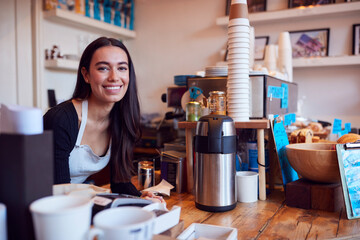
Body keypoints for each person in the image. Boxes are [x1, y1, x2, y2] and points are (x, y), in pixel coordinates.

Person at [44, 37, 163, 203]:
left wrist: (138, 197)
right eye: (103, 68)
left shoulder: (121, 119)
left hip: (73, 203)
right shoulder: (61, 120)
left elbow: (120, 183)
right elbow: (59, 193)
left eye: (122, 68)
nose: (114, 77)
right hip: (42, 206)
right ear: (86, 75)